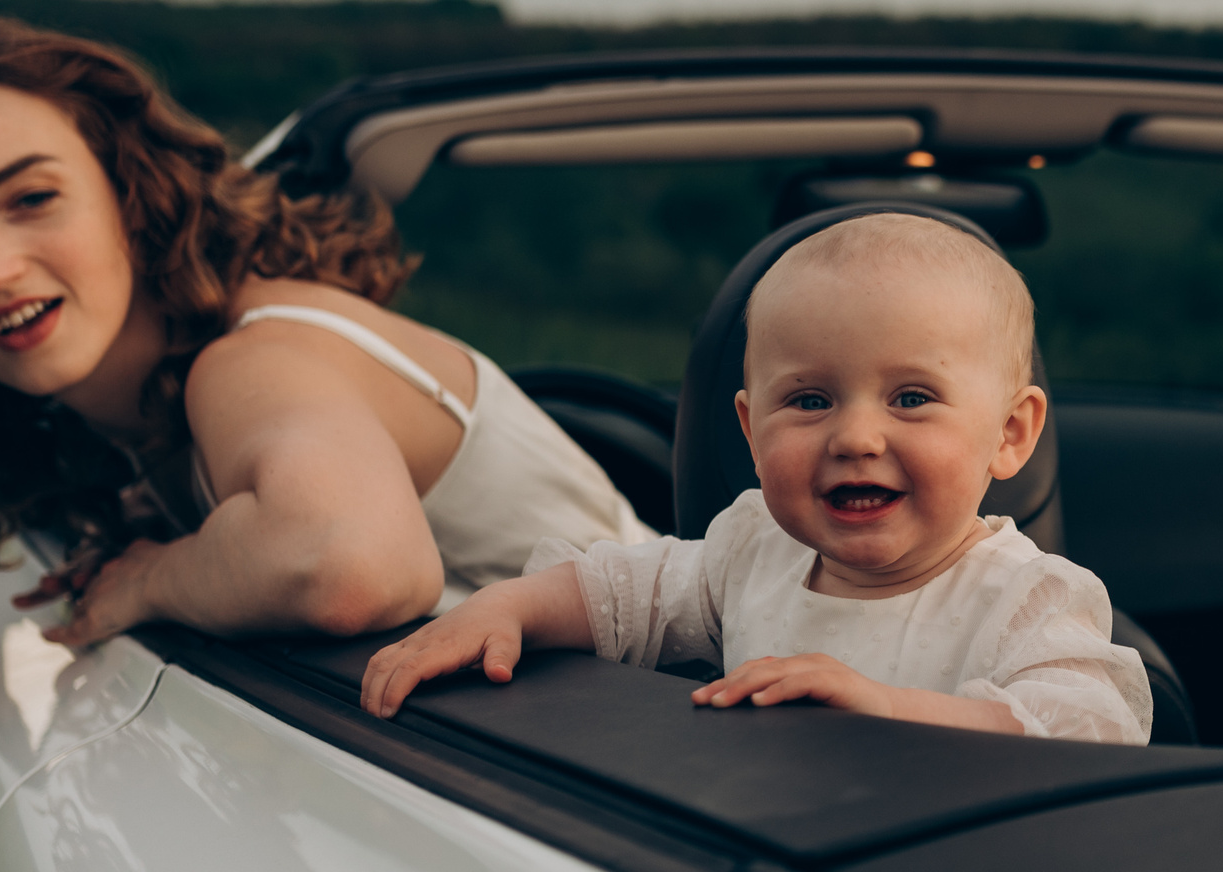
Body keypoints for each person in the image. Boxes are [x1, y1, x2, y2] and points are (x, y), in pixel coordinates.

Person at [0, 0, 651, 641]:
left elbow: (355, 565)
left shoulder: (251, 358)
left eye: (32, 198)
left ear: (128, 192)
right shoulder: (128, 419)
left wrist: (159, 576)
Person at [361, 212, 1151, 744]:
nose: (856, 435)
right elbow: (623, 594)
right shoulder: (751, 552)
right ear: (749, 427)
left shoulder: (1024, 595)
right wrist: (505, 609)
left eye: (911, 398)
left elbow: (1090, 728)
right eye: (810, 400)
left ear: (1009, 434)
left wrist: (888, 712)